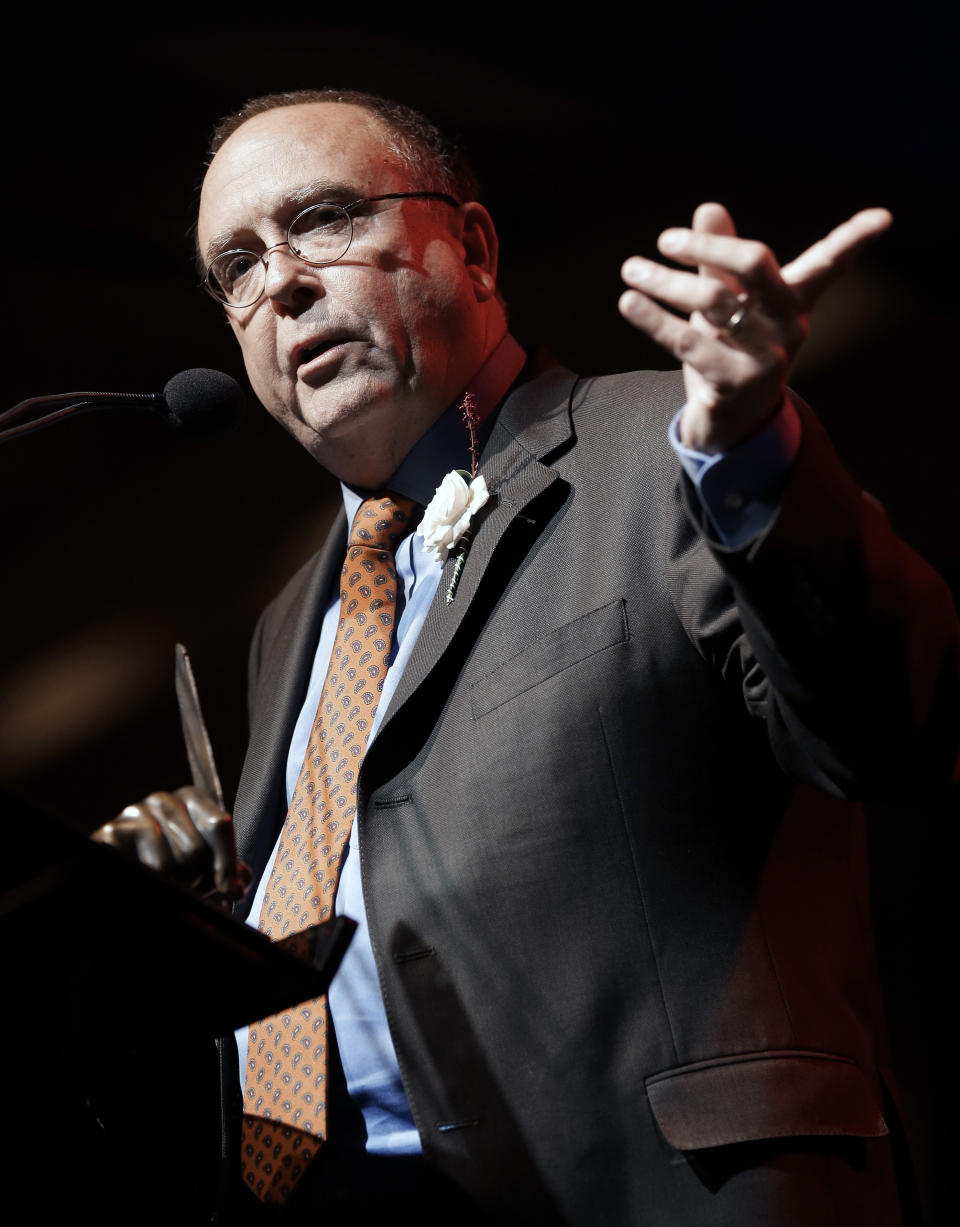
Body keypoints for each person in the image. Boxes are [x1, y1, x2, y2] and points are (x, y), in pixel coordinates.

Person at [96, 89, 959, 1224]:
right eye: (239, 265)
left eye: (321, 221)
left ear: (474, 247)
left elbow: (889, 725)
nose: (284, 285)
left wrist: (752, 459)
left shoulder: (664, 452)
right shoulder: (288, 625)